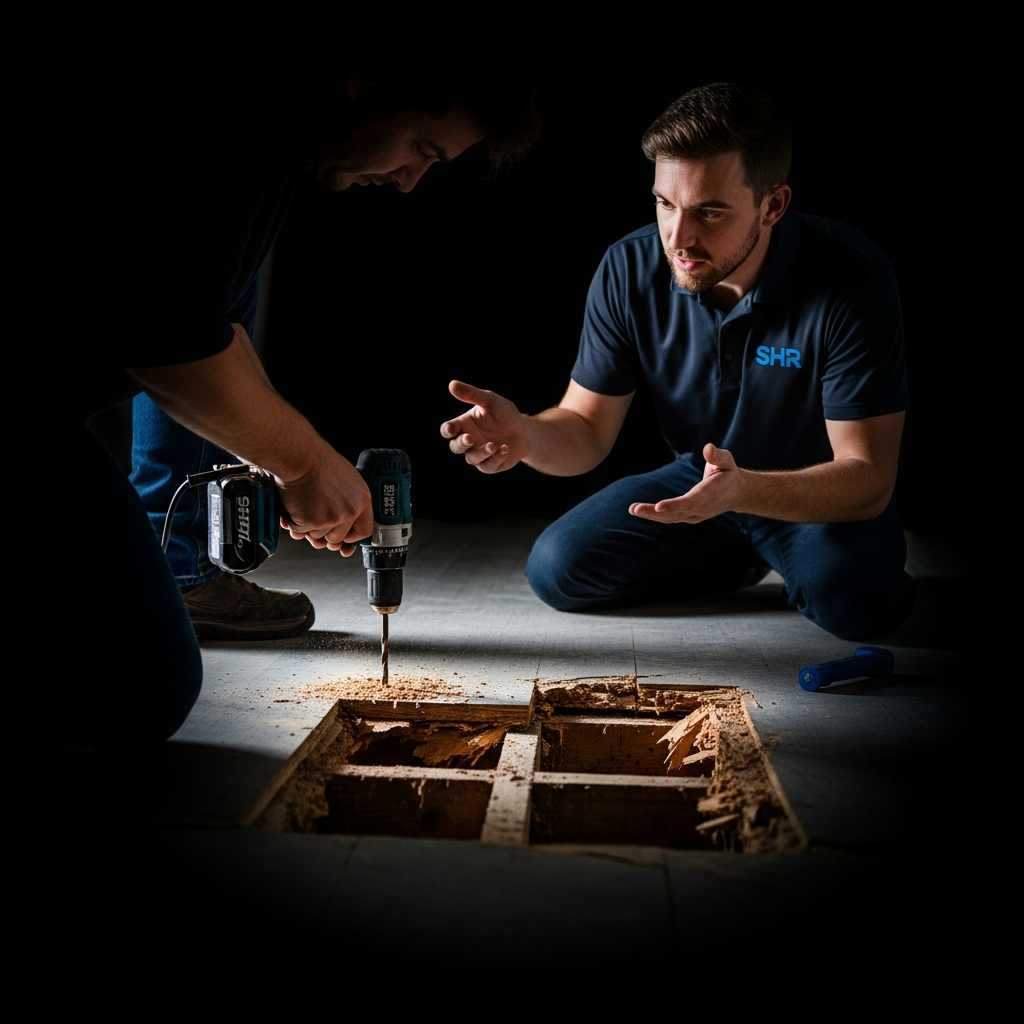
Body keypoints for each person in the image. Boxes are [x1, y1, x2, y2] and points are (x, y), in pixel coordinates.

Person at [71, 51, 538, 747]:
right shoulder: (226, 128)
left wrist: (276, 459)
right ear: (367, 81)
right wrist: (305, 464)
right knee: (148, 682)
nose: (410, 180)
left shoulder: (281, 149)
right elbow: (169, 337)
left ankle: (183, 575)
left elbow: (212, 323)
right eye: (420, 147)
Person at [439, 82, 914, 641]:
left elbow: (868, 477)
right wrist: (524, 435)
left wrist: (745, 490)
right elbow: (586, 428)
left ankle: (791, 558)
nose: (678, 237)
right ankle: (736, 562)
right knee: (557, 570)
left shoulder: (851, 278)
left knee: (859, 602)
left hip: (813, 496)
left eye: (709, 211)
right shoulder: (628, 267)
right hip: (700, 481)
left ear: (772, 206)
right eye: (666, 203)